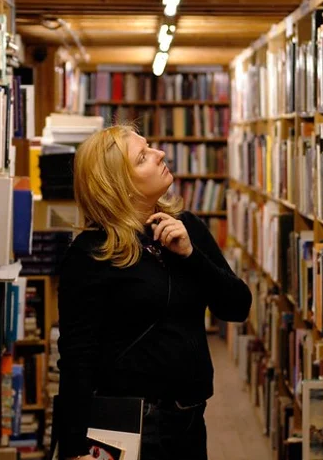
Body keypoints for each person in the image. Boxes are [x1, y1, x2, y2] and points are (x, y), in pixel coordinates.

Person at [55, 124, 252, 460]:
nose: (160, 154)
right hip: (128, 425)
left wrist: (191, 255)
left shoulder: (186, 225)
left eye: (150, 146)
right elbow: (77, 355)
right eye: (143, 156)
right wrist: (73, 446)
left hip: (189, 419)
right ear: (119, 185)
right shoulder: (91, 252)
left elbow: (237, 306)